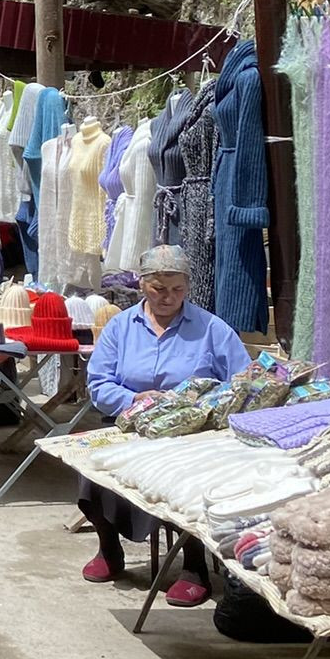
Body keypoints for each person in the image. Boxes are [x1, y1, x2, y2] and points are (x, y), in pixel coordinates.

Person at [79, 245, 252, 604]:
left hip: (190, 433)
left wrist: (196, 405)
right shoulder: (120, 327)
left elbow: (242, 383)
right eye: (159, 289)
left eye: (177, 290)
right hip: (128, 423)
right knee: (86, 459)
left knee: (184, 474)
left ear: (188, 288)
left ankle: (193, 565)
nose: (168, 297)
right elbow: (98, 383)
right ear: (142, 285)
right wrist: (133, 400)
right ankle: (109, 548)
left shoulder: (212, 329)